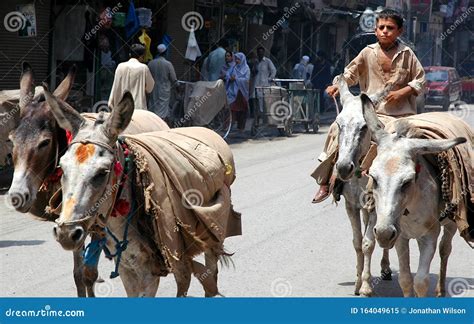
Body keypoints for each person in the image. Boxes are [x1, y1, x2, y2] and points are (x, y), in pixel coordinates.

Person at [312, 8, 426, 203]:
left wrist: (402, 92)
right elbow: (350, 73)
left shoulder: (407, 54)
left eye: (390, 28)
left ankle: (422, 189)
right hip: (370, 113)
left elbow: (420, 80)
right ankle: (327, 180)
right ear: (375, 31)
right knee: (335, 129)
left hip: (399, 116)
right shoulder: (367, 52)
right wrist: (337, 85)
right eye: (381, 27)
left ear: (400, 31)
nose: (384, 31)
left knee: (419, 145)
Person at [108, 43, 154, 110]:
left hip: (122, 109)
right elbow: (150, 87)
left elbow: (116, 86)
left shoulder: (120, 66)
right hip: (138, 109)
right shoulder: (144, 68)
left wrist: (111, 103)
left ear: (130, 54)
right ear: (141, 56)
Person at [147, 44, 177, 123]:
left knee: (153, 108)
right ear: (165, 52)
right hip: (164, 91)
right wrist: (178, 87)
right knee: (162, 110)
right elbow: (174, 79)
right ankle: (160, 125)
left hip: (153, 89)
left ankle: (153, 124)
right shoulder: (168, 64)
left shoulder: (150, 63)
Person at [224, 52, 250, 133]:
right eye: (236, 59)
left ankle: (241, 127)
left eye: (238, 59)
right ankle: (229, 126)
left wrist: (236, 79)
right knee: (232, 109)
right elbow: (227, 74)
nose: (237, 61)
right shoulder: (233, 67)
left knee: (242, 110)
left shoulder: (246, 69)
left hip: (241, 92)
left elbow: (246, 80)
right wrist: (230, 78)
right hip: (233, 92)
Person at [252, 46, 277, 113]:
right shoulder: (255, 61)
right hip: (256, 84)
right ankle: (257, 115)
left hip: (265, 84)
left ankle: (264, 114)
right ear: (257, 53)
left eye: (261, 52)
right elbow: (253, 72)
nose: (260, 54)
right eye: (259, 52)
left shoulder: (267, 61)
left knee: (264, 100)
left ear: (264, 53)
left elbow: (273, 70)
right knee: (256, 99)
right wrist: (255, 66)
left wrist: (270, 79)